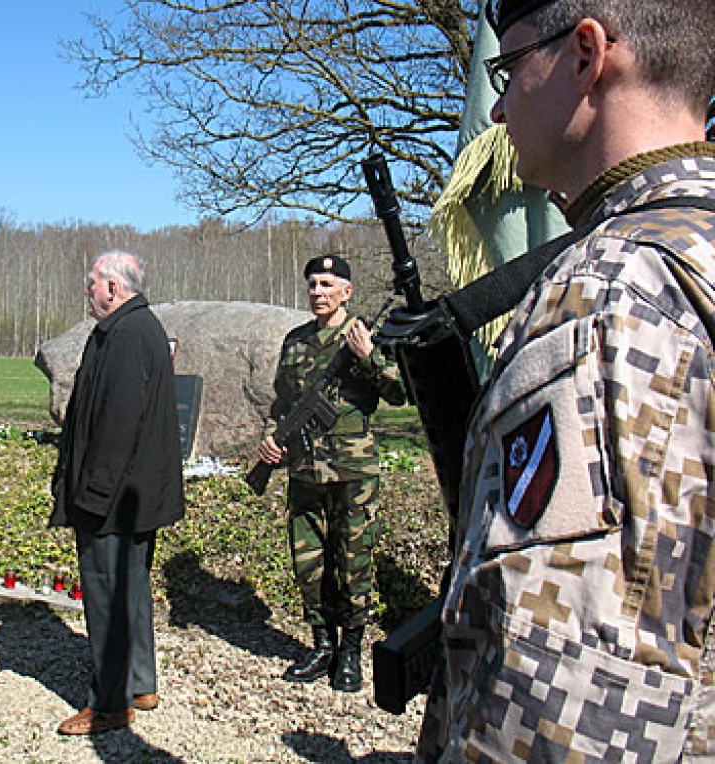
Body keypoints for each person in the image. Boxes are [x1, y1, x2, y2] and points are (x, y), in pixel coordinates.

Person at [415, 0, 715, 759]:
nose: (497, 108)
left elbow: (560, 700)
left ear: (585, 55)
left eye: (509, 69)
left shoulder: (612, 290)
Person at [50, 250, 185, 735]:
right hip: (131, 495)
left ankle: (110, 704)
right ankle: (141, 684)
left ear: (113, 287)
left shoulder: (127, 334)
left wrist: (93, 493)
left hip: (111, 498)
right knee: (130, 591)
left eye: (92, 283)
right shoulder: (134, 328)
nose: (86, 291)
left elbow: (119, 423)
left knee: (107, 595)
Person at [257, 255, 405, 693]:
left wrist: (369, 357)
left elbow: (400, 392)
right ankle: (322, 645)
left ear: (347, 292)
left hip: (352, 471)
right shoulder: (296, 341)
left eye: (326, 284)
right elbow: (282, 403)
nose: (317, 292)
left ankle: (351, 652)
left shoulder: (365, 336)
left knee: (353, 562)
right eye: (312, 285)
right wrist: (271, 439)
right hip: (304, 471)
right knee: (309, 562)